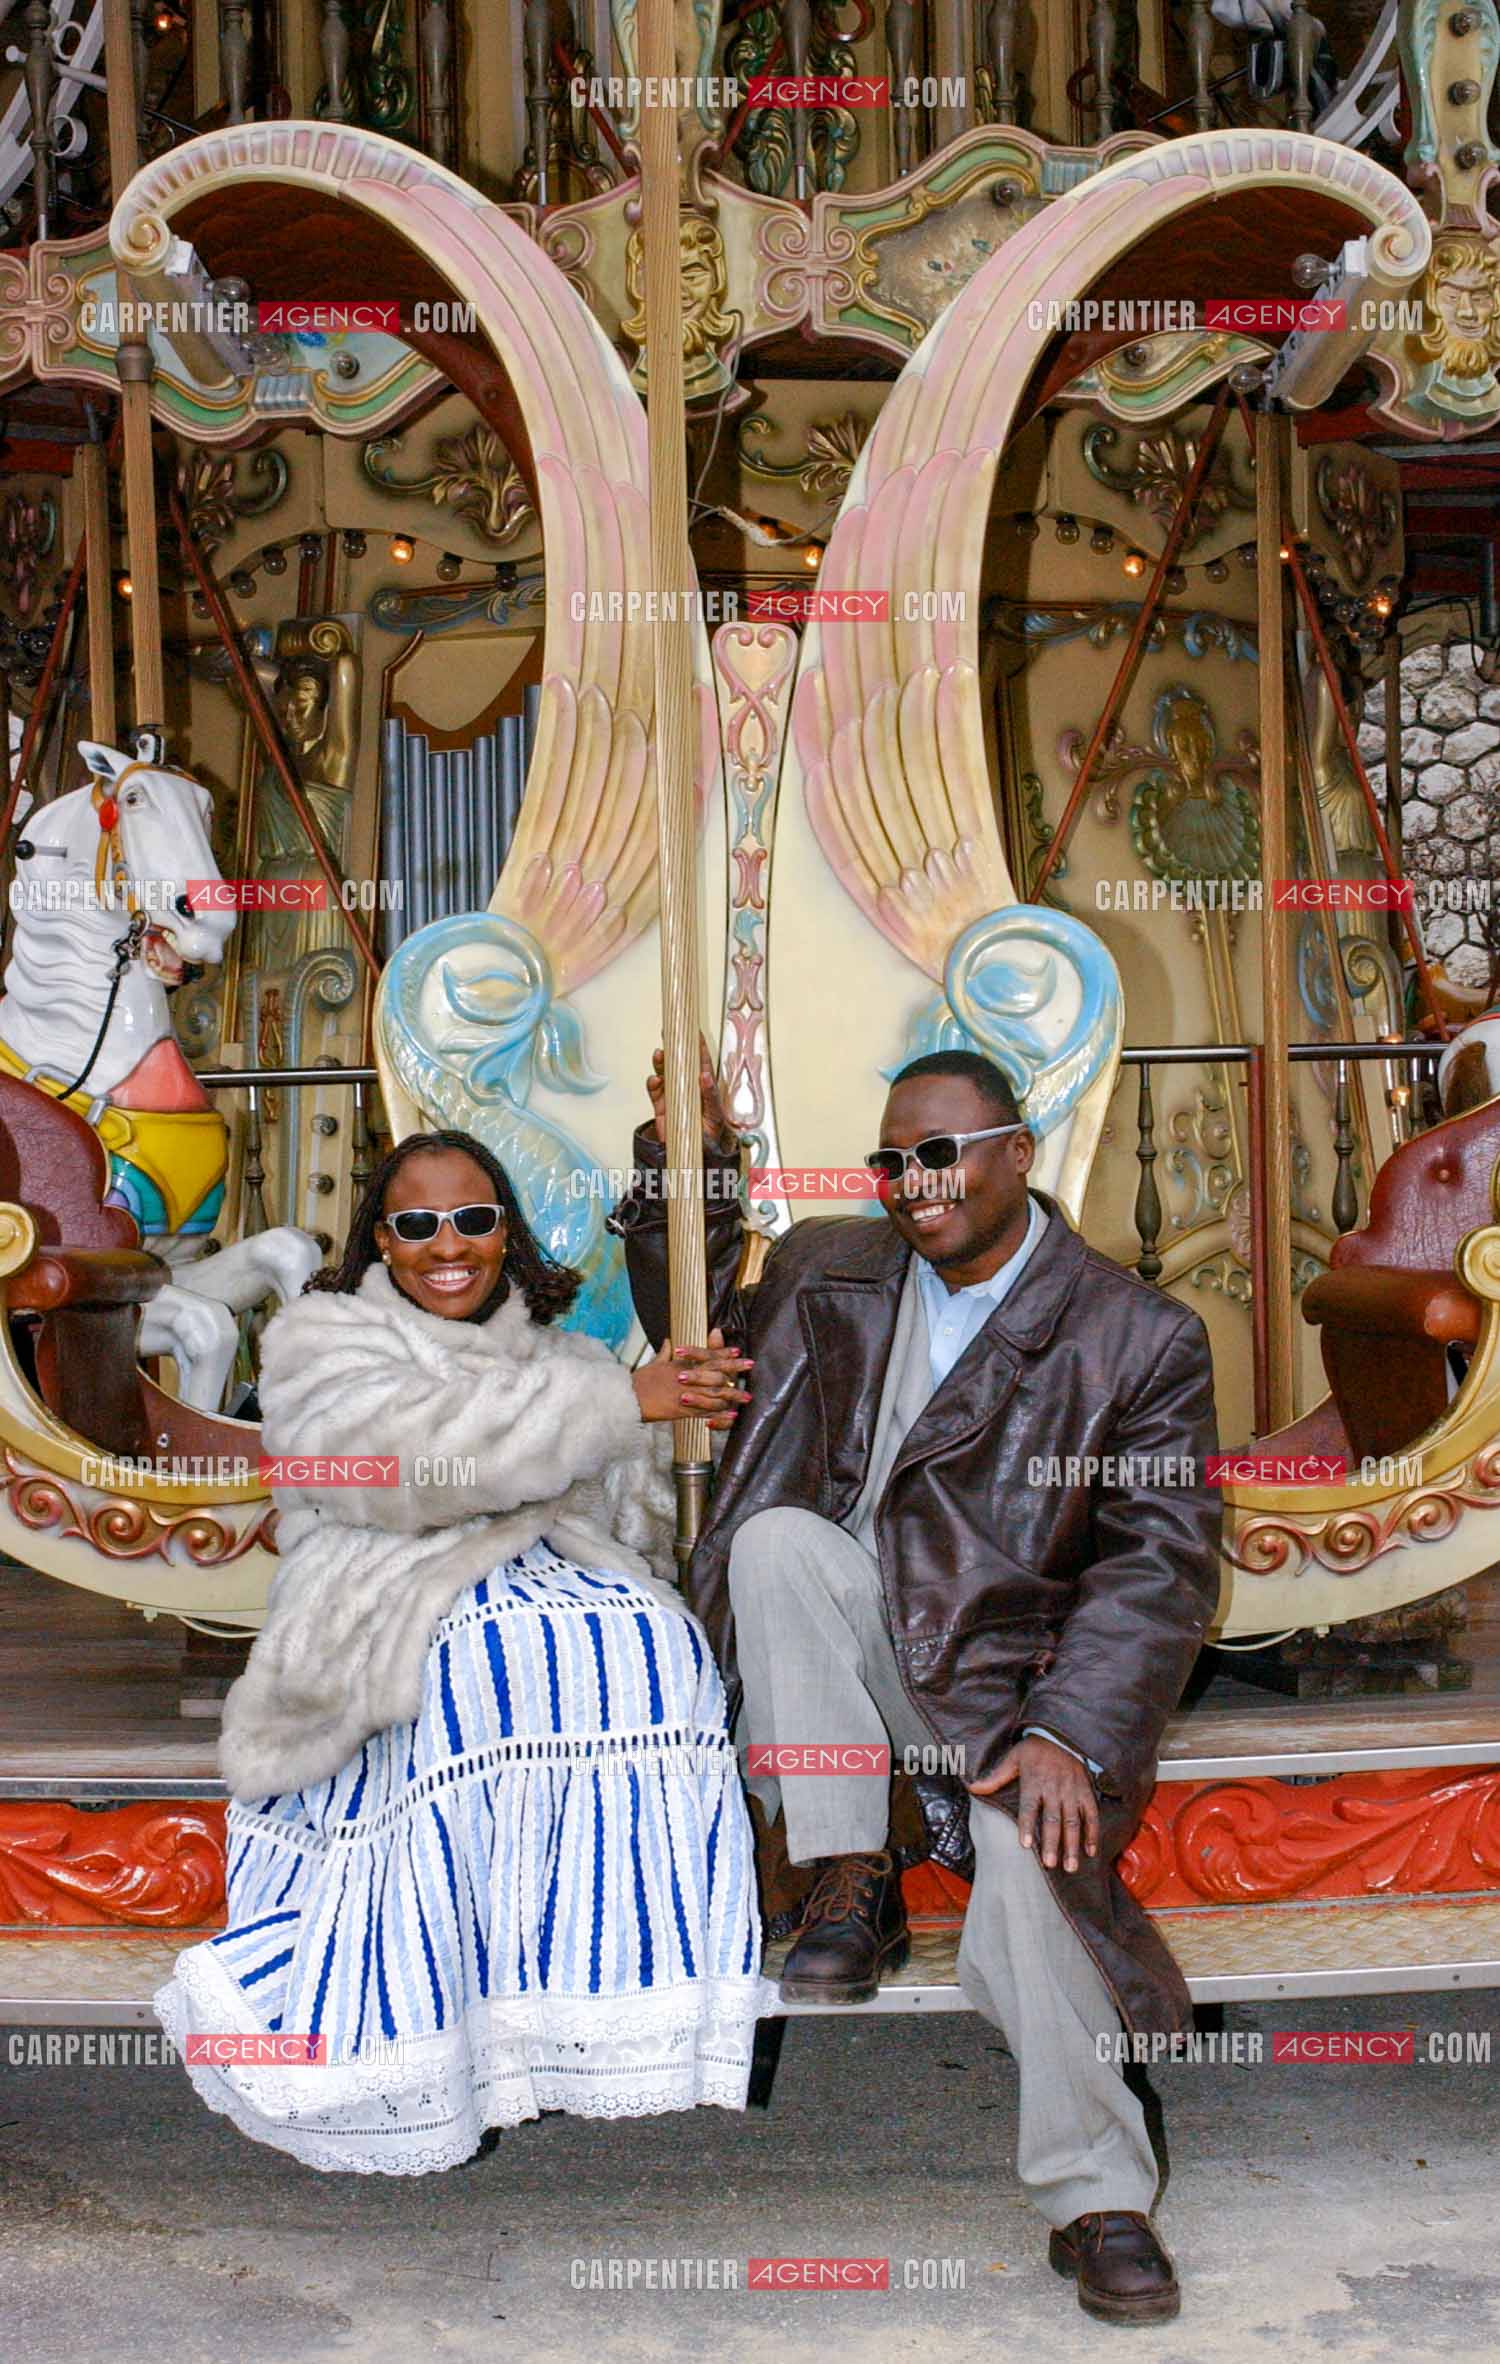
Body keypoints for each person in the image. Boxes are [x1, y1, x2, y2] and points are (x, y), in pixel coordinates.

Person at [611, 1048, 1221, 2327]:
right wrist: (690, 1158)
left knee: (1032, 1873)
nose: (909, 1181)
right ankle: (852, 1873)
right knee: (779, 1540)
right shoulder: (835, 1271)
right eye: (890, 1158)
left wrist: (1069, 1729)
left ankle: (1097, 2197)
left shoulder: (1135, 1335)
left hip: (1013, 1689)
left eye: (938, 1153)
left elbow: (1161, 1565)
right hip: (858, 1661)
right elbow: (689, 1290)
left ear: (1018, 1153)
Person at [155, 1127, 760, 2175]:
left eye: (474, 1220)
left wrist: (675, 1425)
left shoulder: (565, 1358)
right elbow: (407, 1468)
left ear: (505, 1233)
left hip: (559, 1575)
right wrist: (623, 1404)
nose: (449, 1244)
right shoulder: (318, 1340)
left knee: (652, 1642)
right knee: (473, 1661)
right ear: (382, 1243)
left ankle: (576, 1983)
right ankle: (432, 2004)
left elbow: (636, 1519)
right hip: (381, 1583)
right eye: (418, 1223)